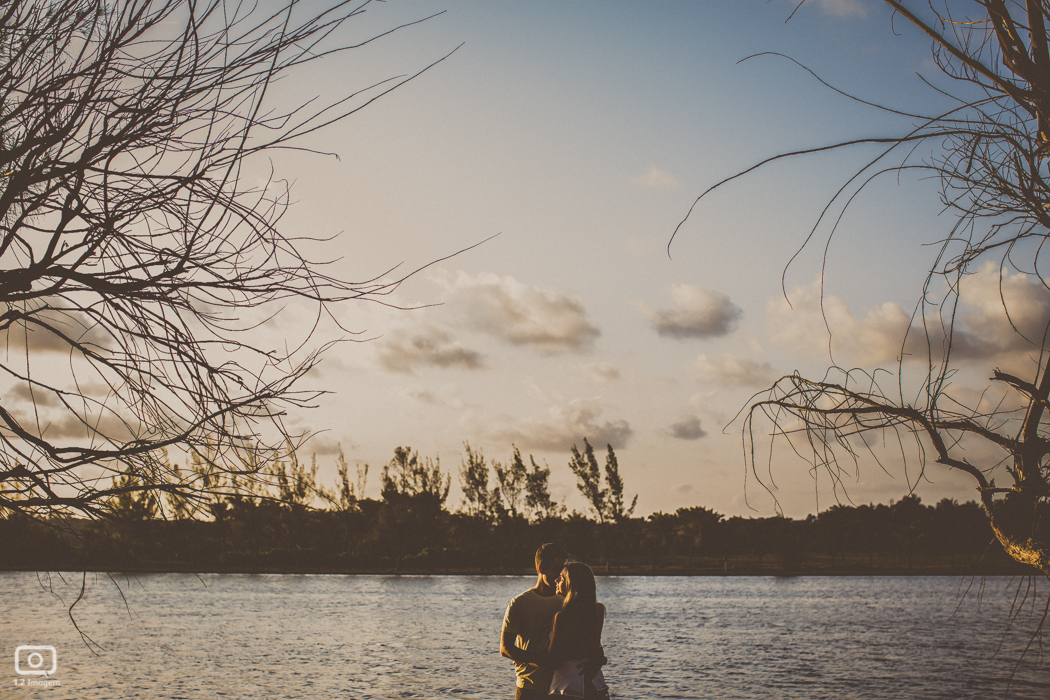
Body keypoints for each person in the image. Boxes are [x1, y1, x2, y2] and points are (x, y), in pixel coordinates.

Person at [501, 543, 568, 699]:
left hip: (562, 687)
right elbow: (505, 648)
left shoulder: (567, 603)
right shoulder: (519, 603)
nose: (561, 576)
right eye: (556, 570)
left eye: (564, 571)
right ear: (541, 569)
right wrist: (540, 661)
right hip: (529, 687)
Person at [547, 562, 610, 699]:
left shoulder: (562, 617)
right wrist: (601, 659)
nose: (556, 580)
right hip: (595, 684)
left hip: (567, 686)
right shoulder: (598, 611)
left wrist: (524, 659)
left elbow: (552, 658)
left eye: (562, 578)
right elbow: (596, 647)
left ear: (572, 584)